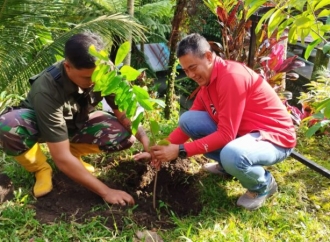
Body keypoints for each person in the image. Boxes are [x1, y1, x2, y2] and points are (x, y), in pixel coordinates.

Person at [135, 33, 296, 210]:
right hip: (244, 134)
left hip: (274, 137)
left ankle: (262, 185)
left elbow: (226, 134)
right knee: (188, 120)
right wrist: (158, 152)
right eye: (186, 70)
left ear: (209, 56)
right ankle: (228, 167)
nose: (190, 75)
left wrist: (180, 151)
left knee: (232, 155)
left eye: (193, 67)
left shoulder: (231, 77)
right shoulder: (207, 84)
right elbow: (187, 127)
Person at [0, 31, 150, 206]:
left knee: (123, 134)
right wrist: (106, 191)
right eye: (87, 77)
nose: (94, 81)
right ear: (67, 66)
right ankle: (41, 168)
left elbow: (123, 113)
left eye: (97, 76)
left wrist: (146, 139)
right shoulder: (47, 89)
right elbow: (60, 157)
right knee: (7, 126)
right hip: (40, 126)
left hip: (78, 120)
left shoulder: (104, 70)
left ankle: (75, 155)